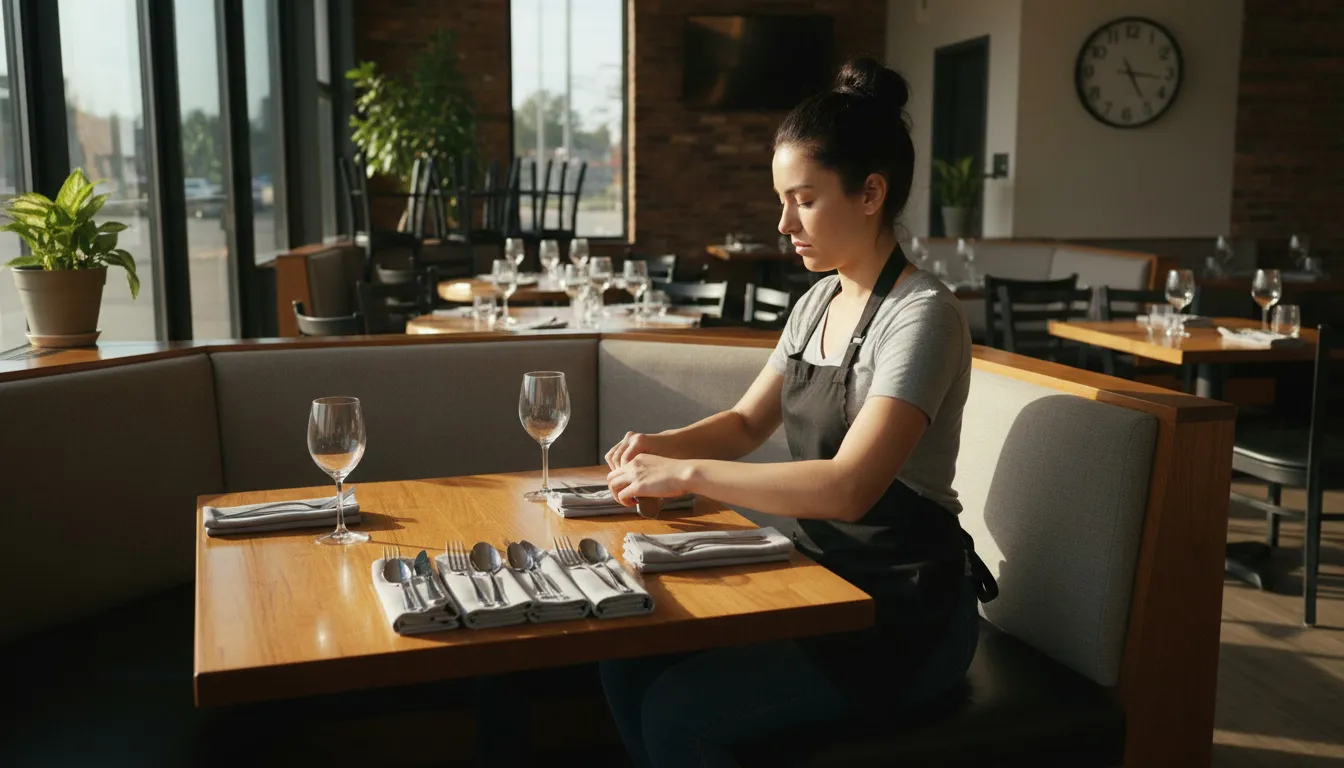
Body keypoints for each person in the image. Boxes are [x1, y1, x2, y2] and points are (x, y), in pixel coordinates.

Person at [598, 56, 998, 767]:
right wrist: (653, 446)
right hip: (821, 586)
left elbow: (849, 488)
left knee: (679, 714)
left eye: (803, 199)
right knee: (624, 663)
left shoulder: (921, 318)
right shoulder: (816, 301)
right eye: (782, 199)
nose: (783, 222)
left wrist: (686, 472)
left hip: (905, 615)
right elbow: (748, 423)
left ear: (871, 192)